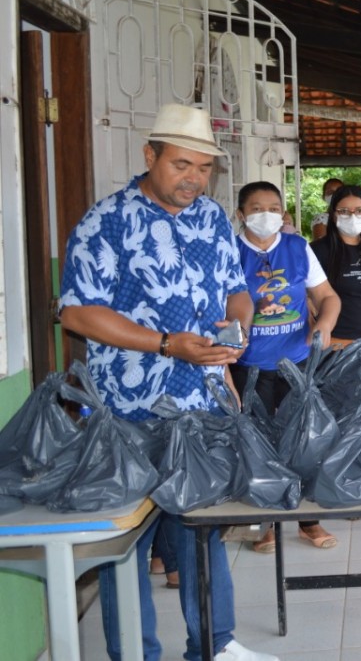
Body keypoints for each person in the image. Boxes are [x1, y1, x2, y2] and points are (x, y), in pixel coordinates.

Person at [59, 103, 275, 661]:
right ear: (149, 156)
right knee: (123, 544)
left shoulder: (210, 219)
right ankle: (135, 651)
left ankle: (216, 646)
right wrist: (163, 343)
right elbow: (78, 314)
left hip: (200, 404)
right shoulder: (106, 221)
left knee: (201, 529)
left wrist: (239, 327)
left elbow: (236, 289)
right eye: (182, 164)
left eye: (204, 167)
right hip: (127, 409)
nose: (194, 178)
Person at [231, 181, 342, 554]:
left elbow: (326, 296)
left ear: (284, 213)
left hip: (296, 364)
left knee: (302, 439)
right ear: (241, 215)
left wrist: (324, 325)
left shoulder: (297, 248)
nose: (267, 215)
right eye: (257, 208)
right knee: (259, 442)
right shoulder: (230, 253)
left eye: (274, 207)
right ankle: (266, 523)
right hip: (249, 366)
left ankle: (307, 520)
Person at [309, 185, 361, 346]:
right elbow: (304, 294)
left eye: (359, 211)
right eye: (344, 211)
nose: (352, 216)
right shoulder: (318, 250)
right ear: (333, 215)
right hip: (335, 342)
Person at [310, 176, 343, 241]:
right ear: (323, 197)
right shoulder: (321, 219)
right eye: (330, 192)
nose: (334, 195)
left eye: (338, 192)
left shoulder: (353, 218)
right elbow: (321, 247)